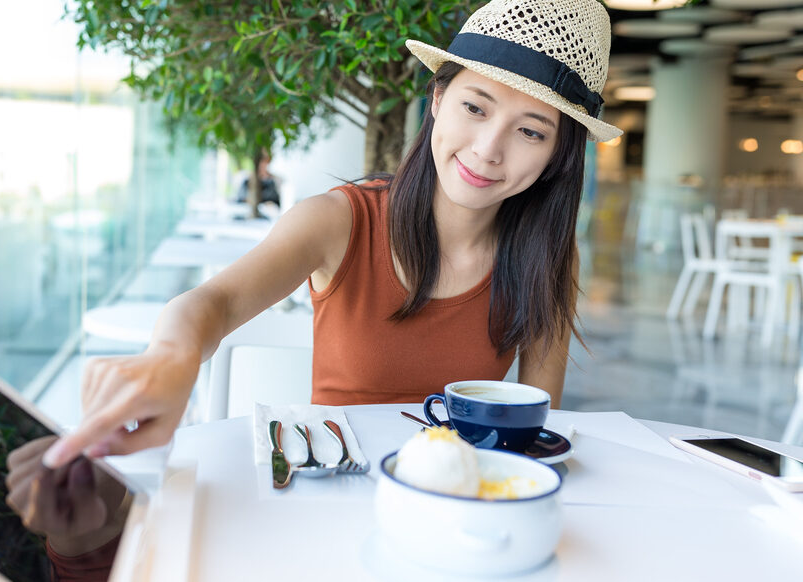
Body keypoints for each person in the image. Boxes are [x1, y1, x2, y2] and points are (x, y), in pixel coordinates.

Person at [40, 0, 623, 472]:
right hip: (328, 500)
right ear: (438, 99)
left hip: (461, 509)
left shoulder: (548, 258)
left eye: (529, 131)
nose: (488, 148)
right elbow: (211, 305)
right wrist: (170, 358)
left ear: (556, 158)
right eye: (475, 106)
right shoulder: (339, 221)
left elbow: (534, 426)